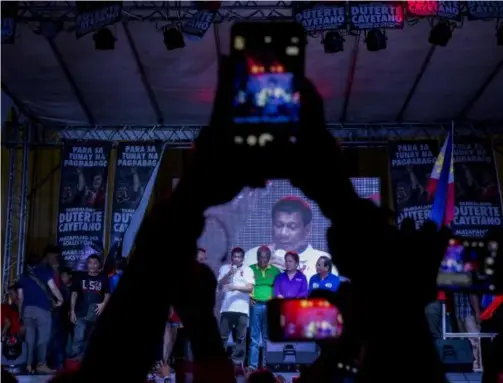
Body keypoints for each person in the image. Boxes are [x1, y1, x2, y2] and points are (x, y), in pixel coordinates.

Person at [52, 55, 453, 383]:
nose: (282, 232)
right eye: (277, 224)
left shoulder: (311, 259)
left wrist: (189, 197)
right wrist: (352, 340)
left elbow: (108, 368)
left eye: (291, 225)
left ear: (309, 229)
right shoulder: (376, 302)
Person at [244, 196, 336, 281]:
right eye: (278, 225)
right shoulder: (252, 256)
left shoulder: (324, 261)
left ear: (307, 230)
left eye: (292, 227)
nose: (283, 233)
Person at [17, 258, 64, 374]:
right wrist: (60, 299)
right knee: (43, 338)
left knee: (29, 338)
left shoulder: (23, 277)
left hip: (27, 311)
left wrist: (20, 314)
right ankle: (41, 365)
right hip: (42, 309)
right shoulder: (44, 271)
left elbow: (20, 298)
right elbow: (53, 287)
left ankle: (28, 365)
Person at [217, 247, 255, 367]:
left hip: (242, 309)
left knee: (240, 338)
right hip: (227, 308)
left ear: (243, 258)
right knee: (222, 337)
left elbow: (250, 288)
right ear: (231, 257)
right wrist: (229, 273)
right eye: (235, 256)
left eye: (239, 257)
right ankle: (221, 363)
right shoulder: (224, 268)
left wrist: (235, 287)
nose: (237, 259)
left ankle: (238, 364)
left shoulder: (248, 270)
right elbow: (219, 284)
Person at [69, 255, 110, 360]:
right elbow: (74, 294)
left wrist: (103, 305)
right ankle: (74, 359)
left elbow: (107, 294)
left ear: (99, 265)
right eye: (90, 262)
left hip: (95, 313)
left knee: (93, 338)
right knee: (78, 337)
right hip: (80, 312)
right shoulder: (80, 277)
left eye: (95, 263)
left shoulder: (103, 278)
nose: (92, 265)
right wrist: (72, 311)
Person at [248, 246, 280, 372]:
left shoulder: (276, 270)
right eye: (261, 257)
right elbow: (245, 284)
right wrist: (248, 297)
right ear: (257, 257)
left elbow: (278, 288)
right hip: (255, 305)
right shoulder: (250, 269)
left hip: (269, 306)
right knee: (254, 337)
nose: (264, 260)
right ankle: (252, 366)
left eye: (266, 257)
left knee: (267, 337)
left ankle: (267, 365)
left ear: (269, 258)